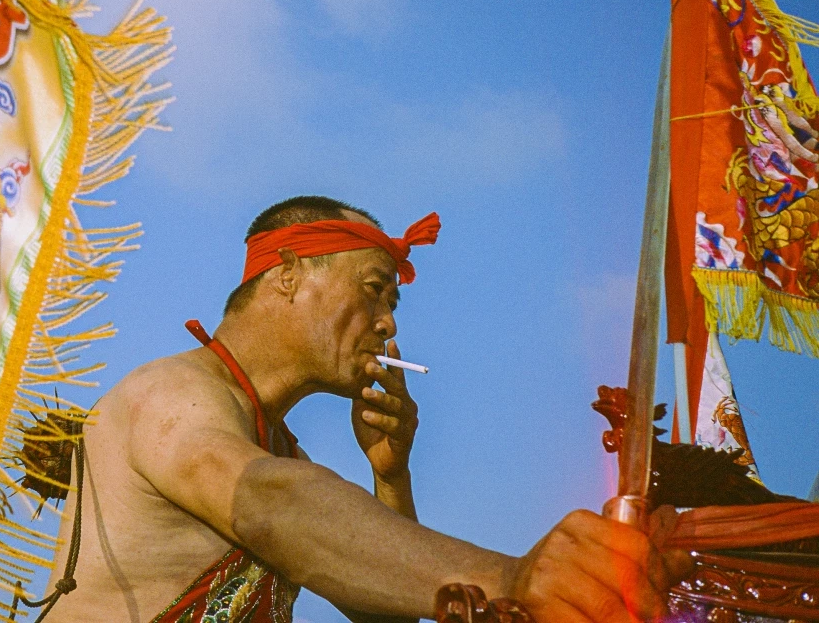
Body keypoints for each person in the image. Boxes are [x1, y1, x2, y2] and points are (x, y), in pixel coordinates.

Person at [41, 195, 692, 622]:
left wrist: (391, 478)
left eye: (391, 305)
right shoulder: (171, 392)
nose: (387, 323)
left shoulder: (278, 447)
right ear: (287, 273)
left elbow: (388, 612)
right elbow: (271, 502)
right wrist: (513, 576)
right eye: (375, 290)